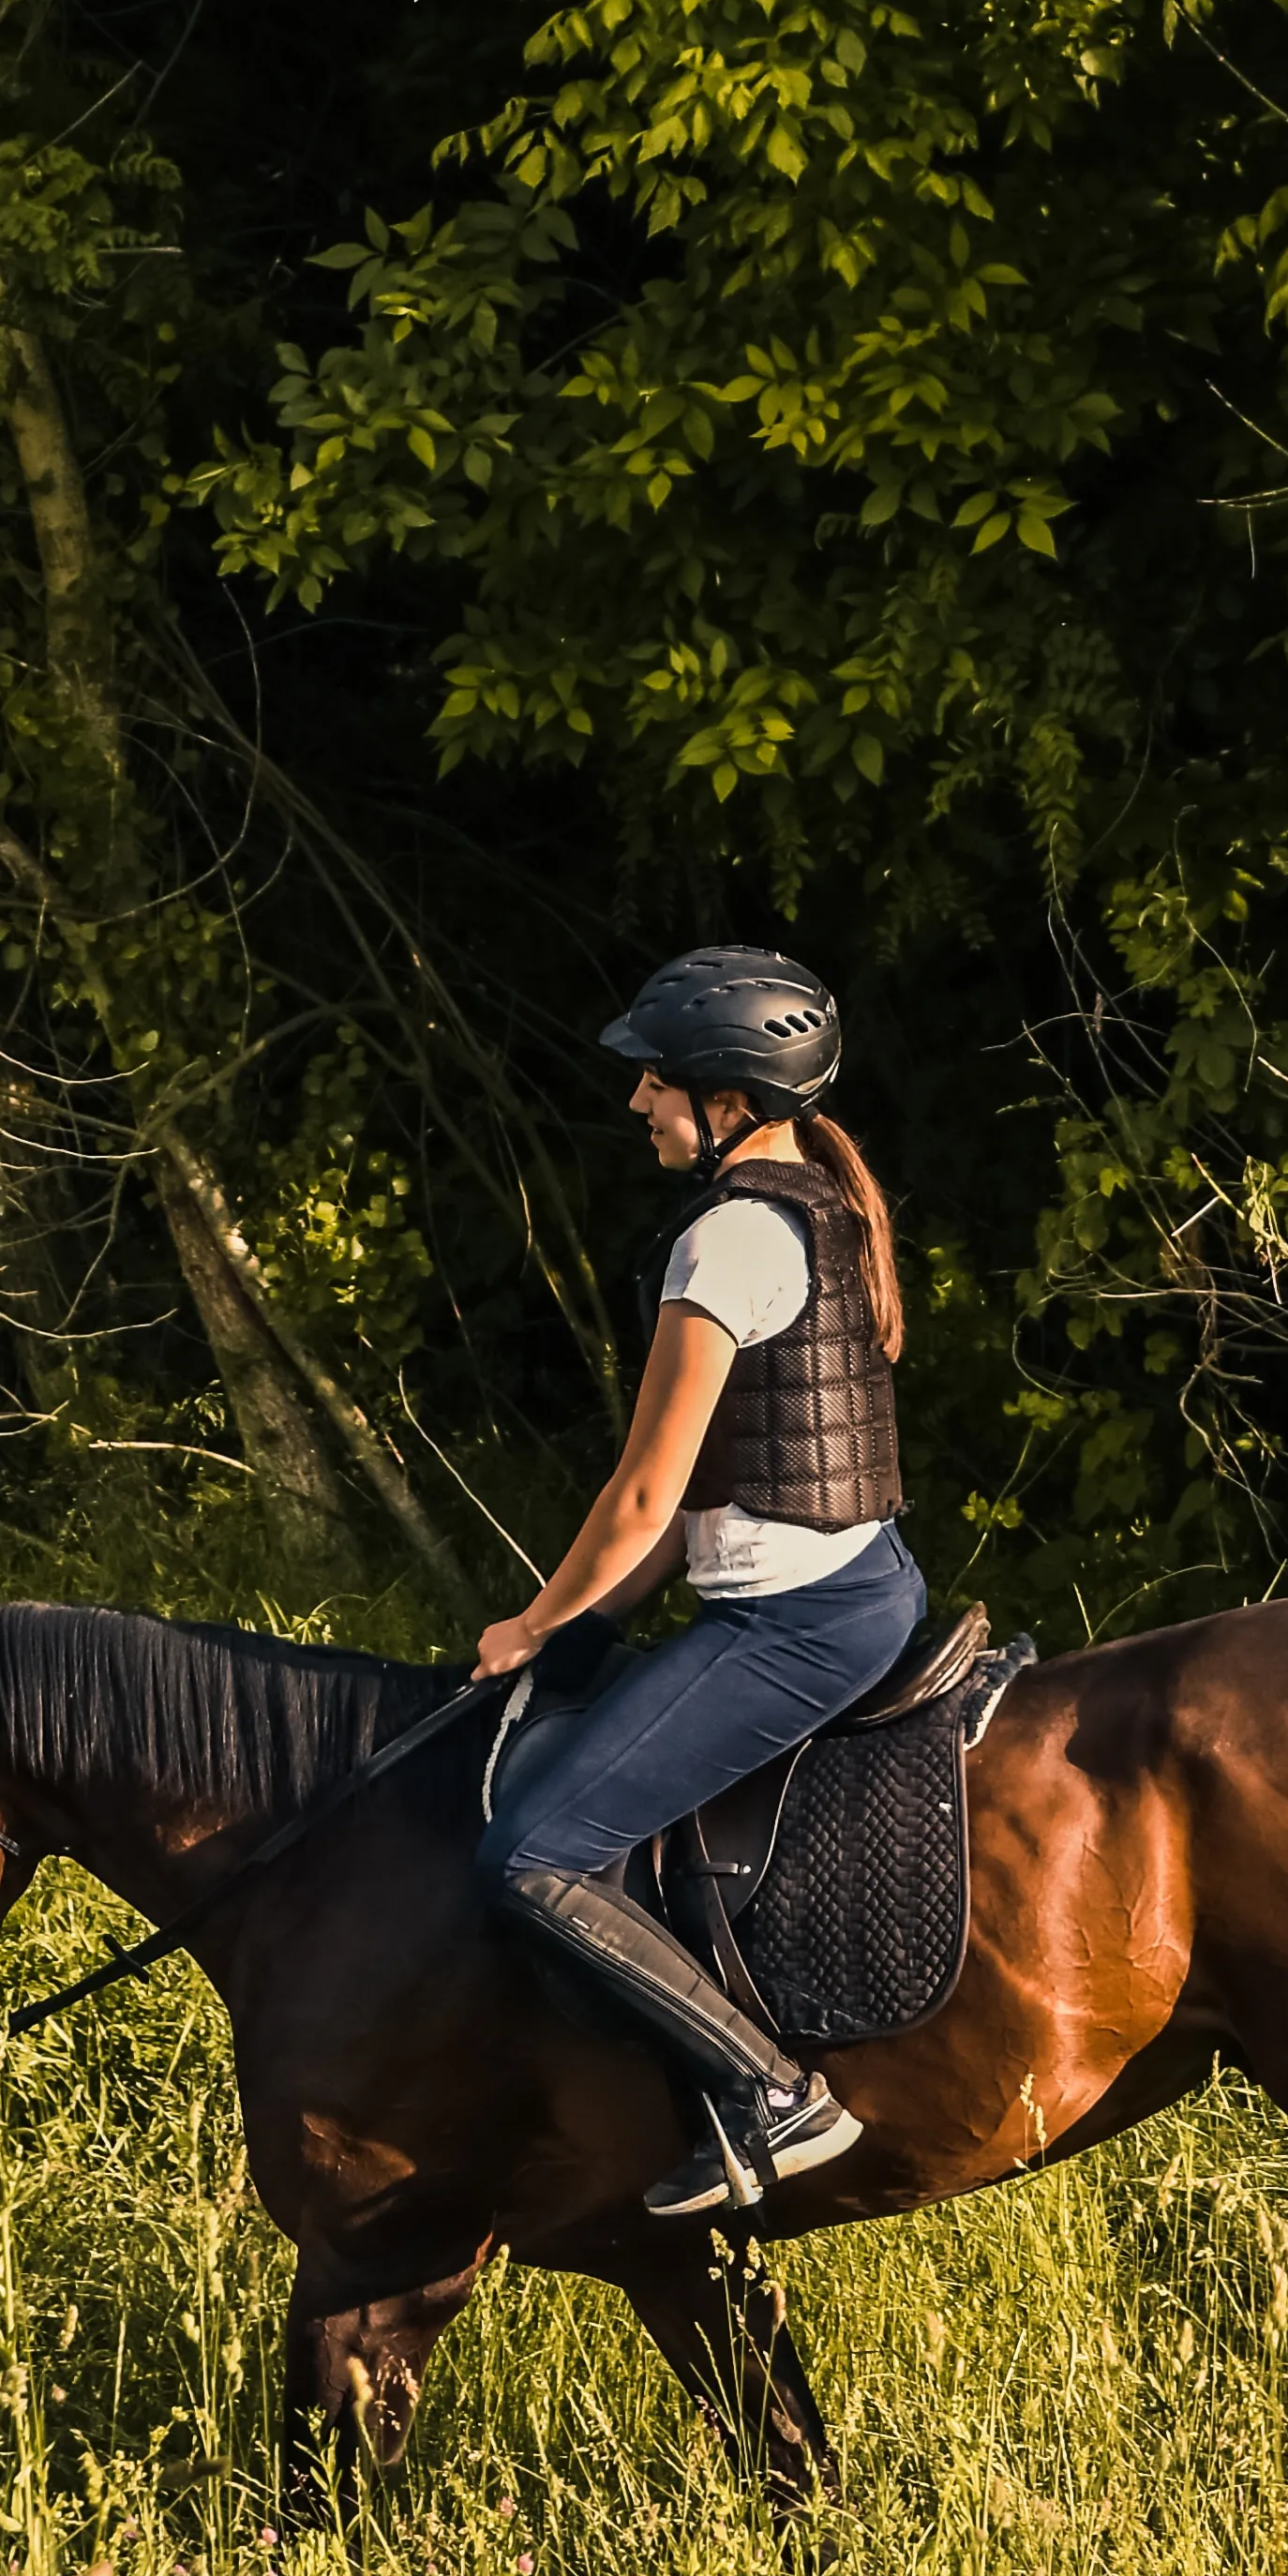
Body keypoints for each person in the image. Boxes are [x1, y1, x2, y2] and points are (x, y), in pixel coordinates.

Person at [473, 946, 928, 2213]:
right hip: (866, 1582)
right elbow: (713, 1487)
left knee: (534, 1854)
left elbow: (639, 1495)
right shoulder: (814, 1203)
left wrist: (534, 1620)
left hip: (797, 1624)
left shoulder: (728, 1241)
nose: (637, 1105)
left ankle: (776, 2093)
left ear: (727, 1098)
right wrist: (594, 1621)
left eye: (657, 1083)